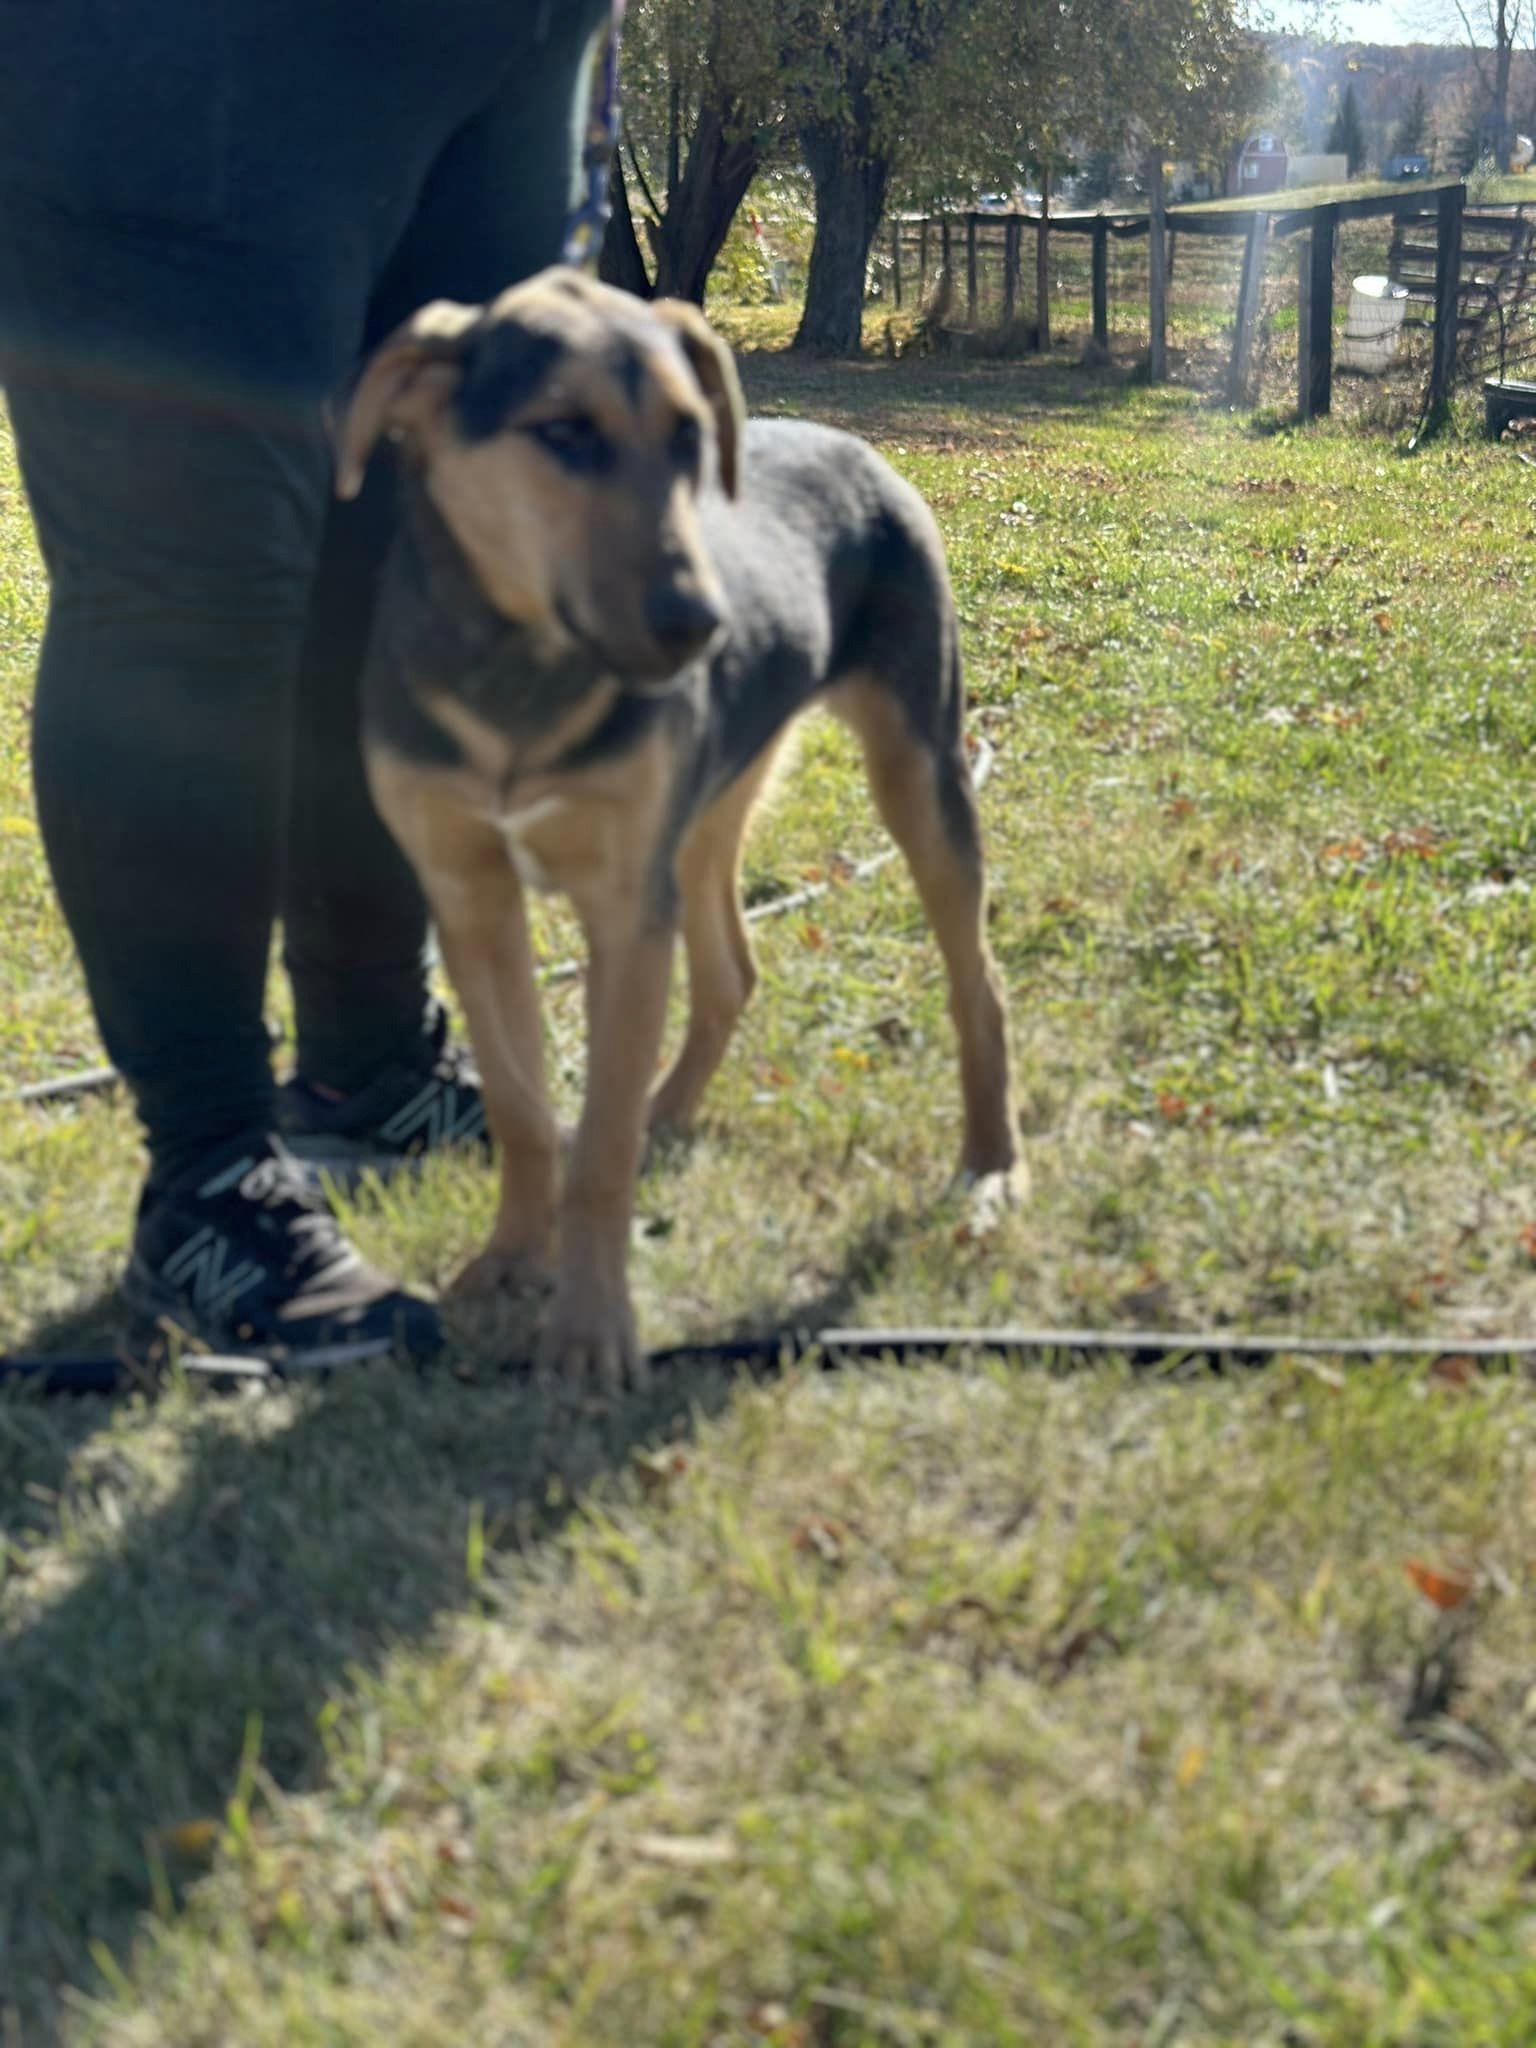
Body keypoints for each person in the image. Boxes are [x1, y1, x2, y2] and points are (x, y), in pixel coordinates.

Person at [0, 0, 614, 1366]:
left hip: (495, 49)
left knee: (397, 562)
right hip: (174, 53)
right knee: (192, 586)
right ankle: (208, 1179)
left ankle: (369, 1063)